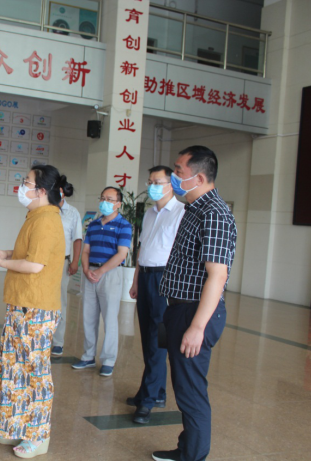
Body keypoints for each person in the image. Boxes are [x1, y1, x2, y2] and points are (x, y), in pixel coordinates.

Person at [153, 146, 237, 462]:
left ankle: (194, 456)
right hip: (180, 308)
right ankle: (187, 448)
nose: (173, 177)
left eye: (178, 171)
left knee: (191, 391)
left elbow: (217, 275)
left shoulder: (214, 214)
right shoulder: (194, 208)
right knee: (185, 386)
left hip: (195, 312)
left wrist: (197, 327)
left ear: (199, 178)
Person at [0, 165, 66, 459]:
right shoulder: (36, 216)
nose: (22, 186)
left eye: (26, 182)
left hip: (36, 309)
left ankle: (38, 436)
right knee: (15, 368)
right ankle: (15, 425)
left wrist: (1, 264)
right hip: (23, 304)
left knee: (34, 373)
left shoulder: (47, 220)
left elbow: (34, 265)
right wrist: (7, 253)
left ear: (41, 191)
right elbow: (30, 255)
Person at [126, 166, 185, 424]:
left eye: (157, 182)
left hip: (164, 280)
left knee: (158, 340)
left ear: (171, 184)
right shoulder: (150, 213)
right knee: (148, 338)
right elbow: (143, 248)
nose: (152, 186)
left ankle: (148, 400)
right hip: (146, 277)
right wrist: (136, 279)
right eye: (150, 182)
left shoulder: (182, 212)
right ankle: (156, 391)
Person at [72, 187, 132, 377]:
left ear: (118, 204)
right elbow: (86, 250)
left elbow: (121, 254)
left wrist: (100, 271)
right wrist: (86, 269)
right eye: (103, 198)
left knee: (110, 318)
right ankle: (88, 356)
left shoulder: (124, 225)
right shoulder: (93, 225)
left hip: (110, 274)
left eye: (110, 199)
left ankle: (108, 360)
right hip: (90, 273)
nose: (105, 202)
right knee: (88, 317)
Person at [51, 178, 82, 356]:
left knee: (60, 300)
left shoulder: (72, 213)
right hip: (42, 262)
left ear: (63, 191)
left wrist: (75, 261)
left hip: (62, 262)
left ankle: (58, 341)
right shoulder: (45, 208)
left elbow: (77, 239)